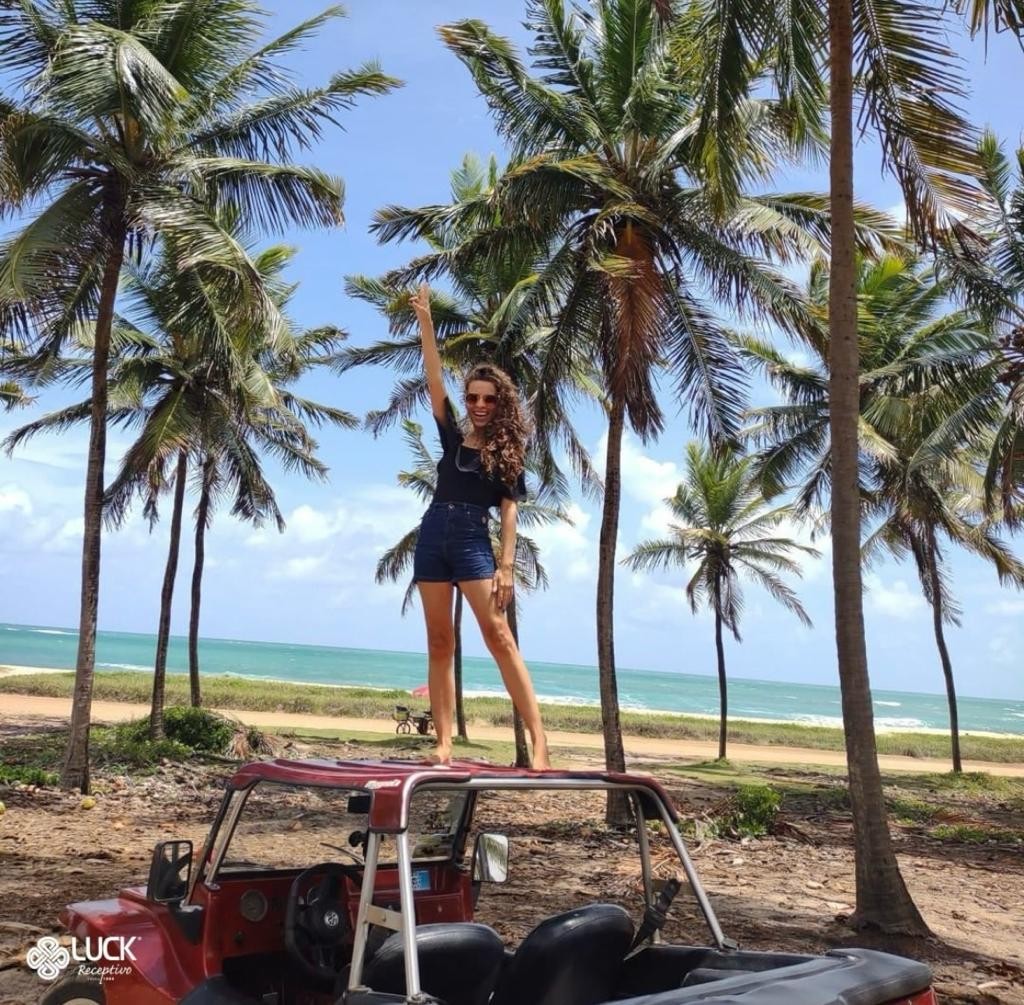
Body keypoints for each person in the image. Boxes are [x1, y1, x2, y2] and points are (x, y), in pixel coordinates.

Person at [409, 282, 550, 770]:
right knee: (439, 641)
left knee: (498, 635)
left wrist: (506, 565)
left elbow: (509, 508)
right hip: (432, 536)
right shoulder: (452, 438)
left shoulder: (510, 450)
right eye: (473, 397)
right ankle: (444, 745)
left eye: (489, 398)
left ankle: (538, 740)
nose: (479, 404)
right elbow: (433, 382)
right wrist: (426, 323)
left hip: (472, 539)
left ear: (501, 402)